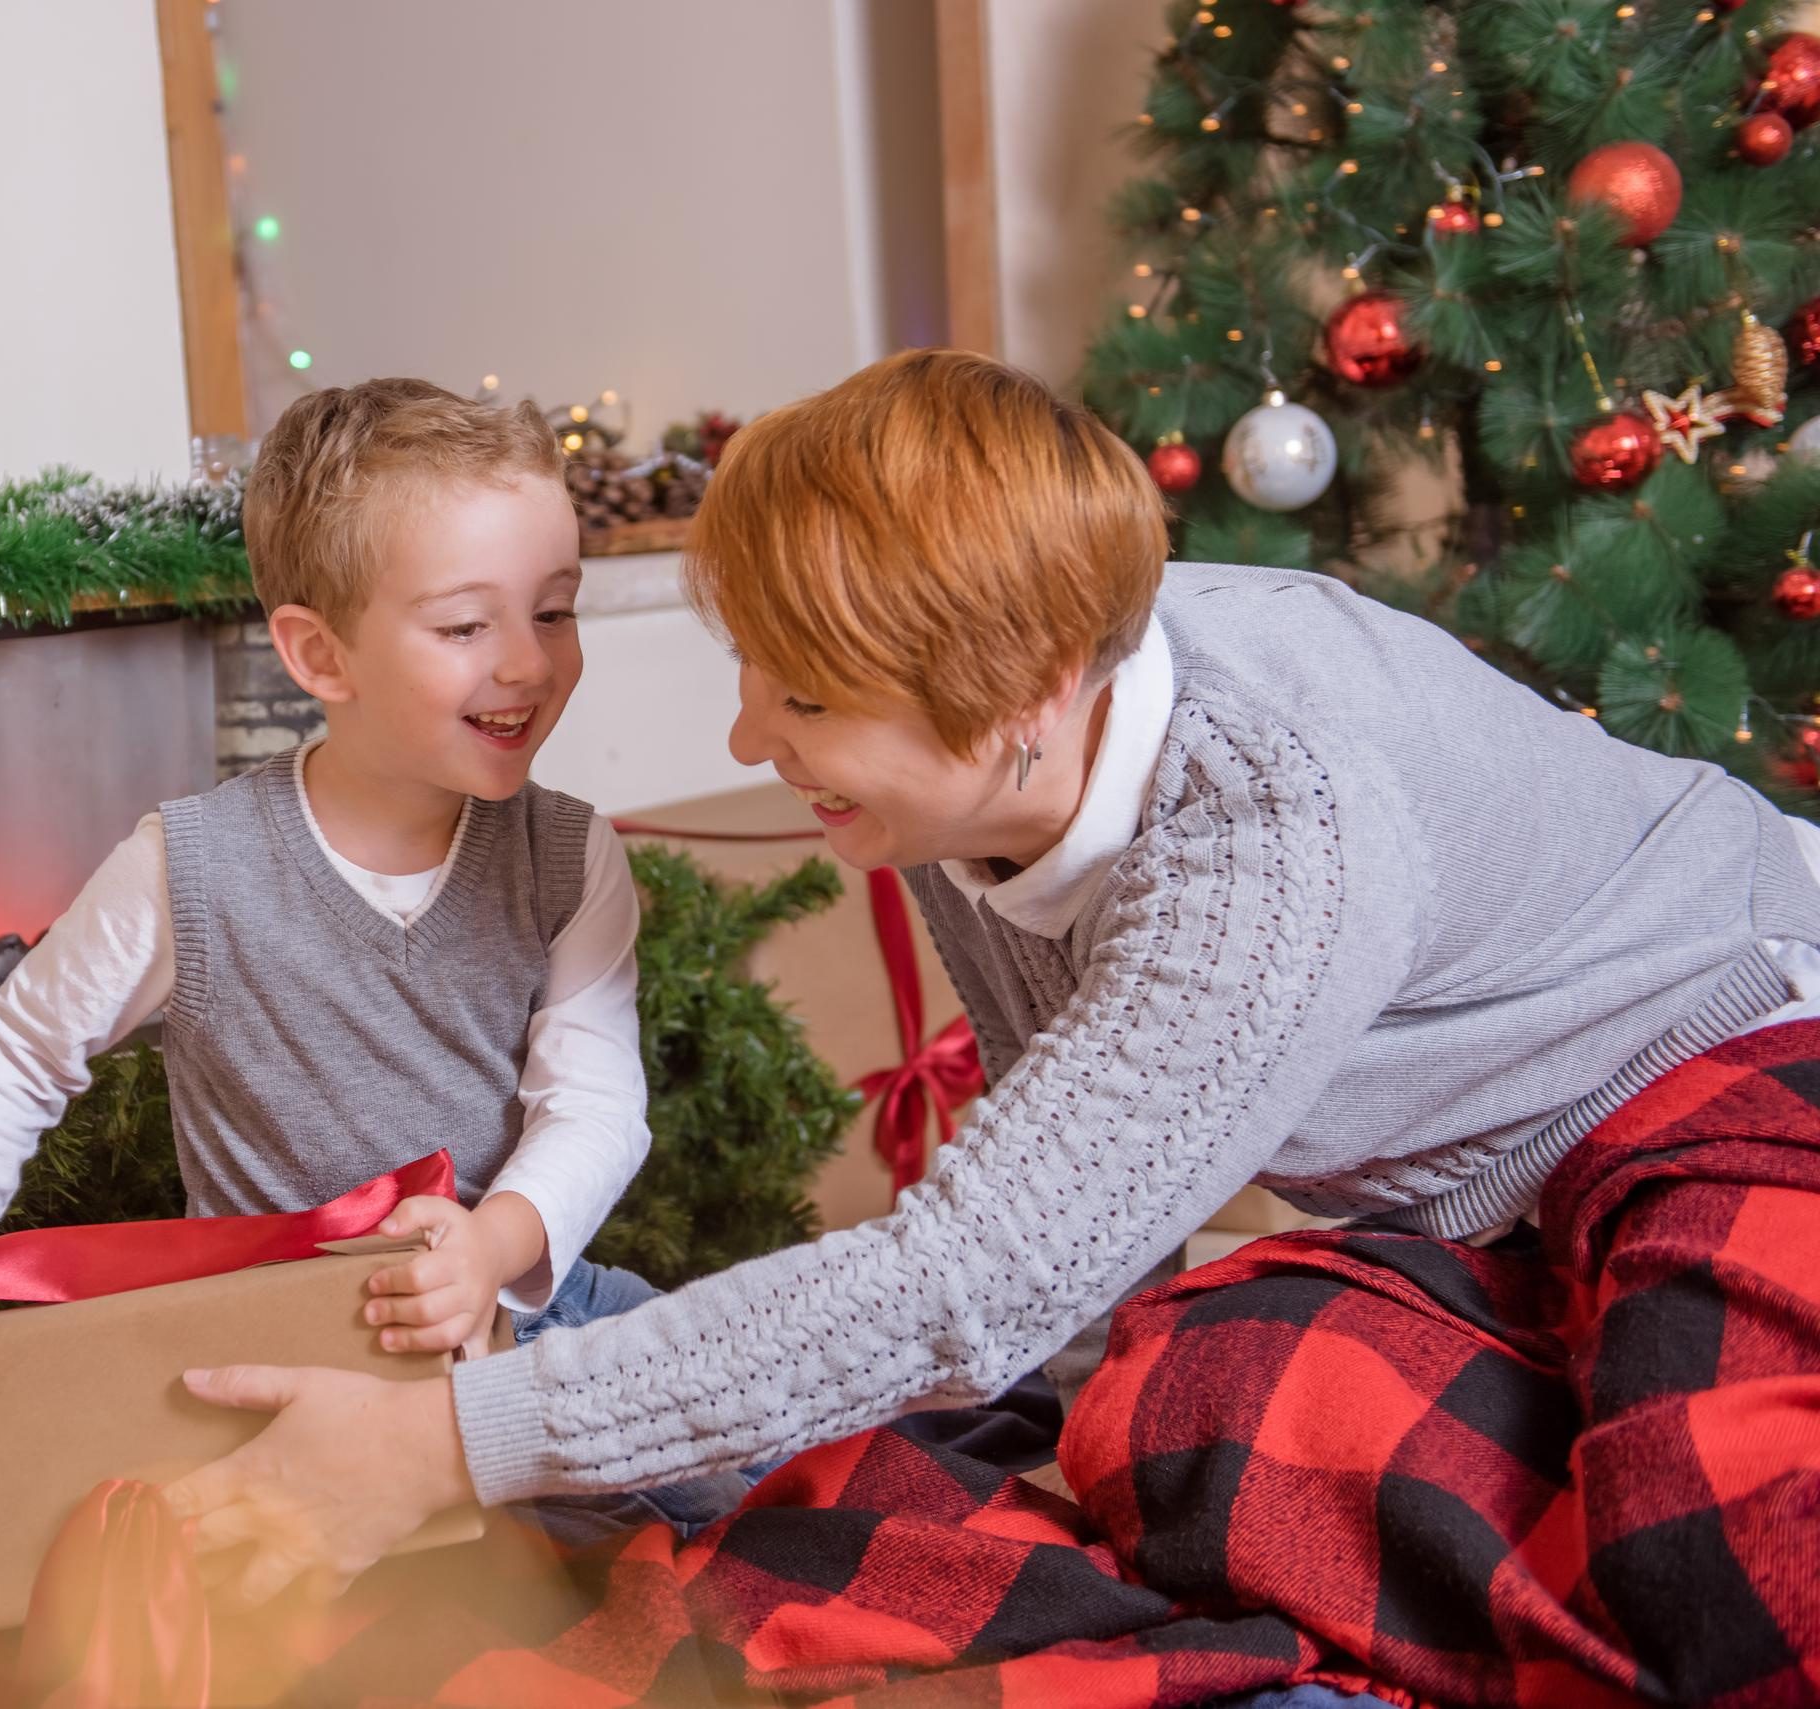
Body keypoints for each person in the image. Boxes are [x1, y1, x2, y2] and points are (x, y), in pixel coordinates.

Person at [163, 352, 1820, 1694]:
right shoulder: (981, 793)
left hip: (1731, 1067)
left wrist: (451, 1442)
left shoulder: (1267, 820)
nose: (750, 736)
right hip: (1476, 1207)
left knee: (1722, 1559)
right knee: (1182, 1392)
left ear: (1026, 694)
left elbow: (972, 1274)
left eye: (801, 698)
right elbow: (1058, 1224)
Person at [0, 378, 749, 1540]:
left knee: (744, 1468)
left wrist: (492, 1246)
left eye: (555, 611)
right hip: (279, 1345)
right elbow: (22, 1048)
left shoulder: (565, 853)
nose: (528, 664)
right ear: (320, 654)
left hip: (512, 1311)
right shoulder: (187, 868)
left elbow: (595, 1102)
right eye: (464, 626)